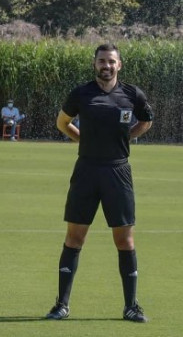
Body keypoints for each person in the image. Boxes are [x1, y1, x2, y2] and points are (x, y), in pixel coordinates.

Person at [45, 43, 153, 322]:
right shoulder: (82, 93)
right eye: (102, 61)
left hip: (118, 172)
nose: (106, 66)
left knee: (124, 240)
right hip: (87, 171)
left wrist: (126, 137)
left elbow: (146, 121)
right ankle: (61, 305)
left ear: (120, 65)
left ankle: (131, 306)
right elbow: (62, 122)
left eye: (111, 61)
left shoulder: (132, 94)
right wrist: (83, 139)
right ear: (95, 64)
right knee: (75, 237)